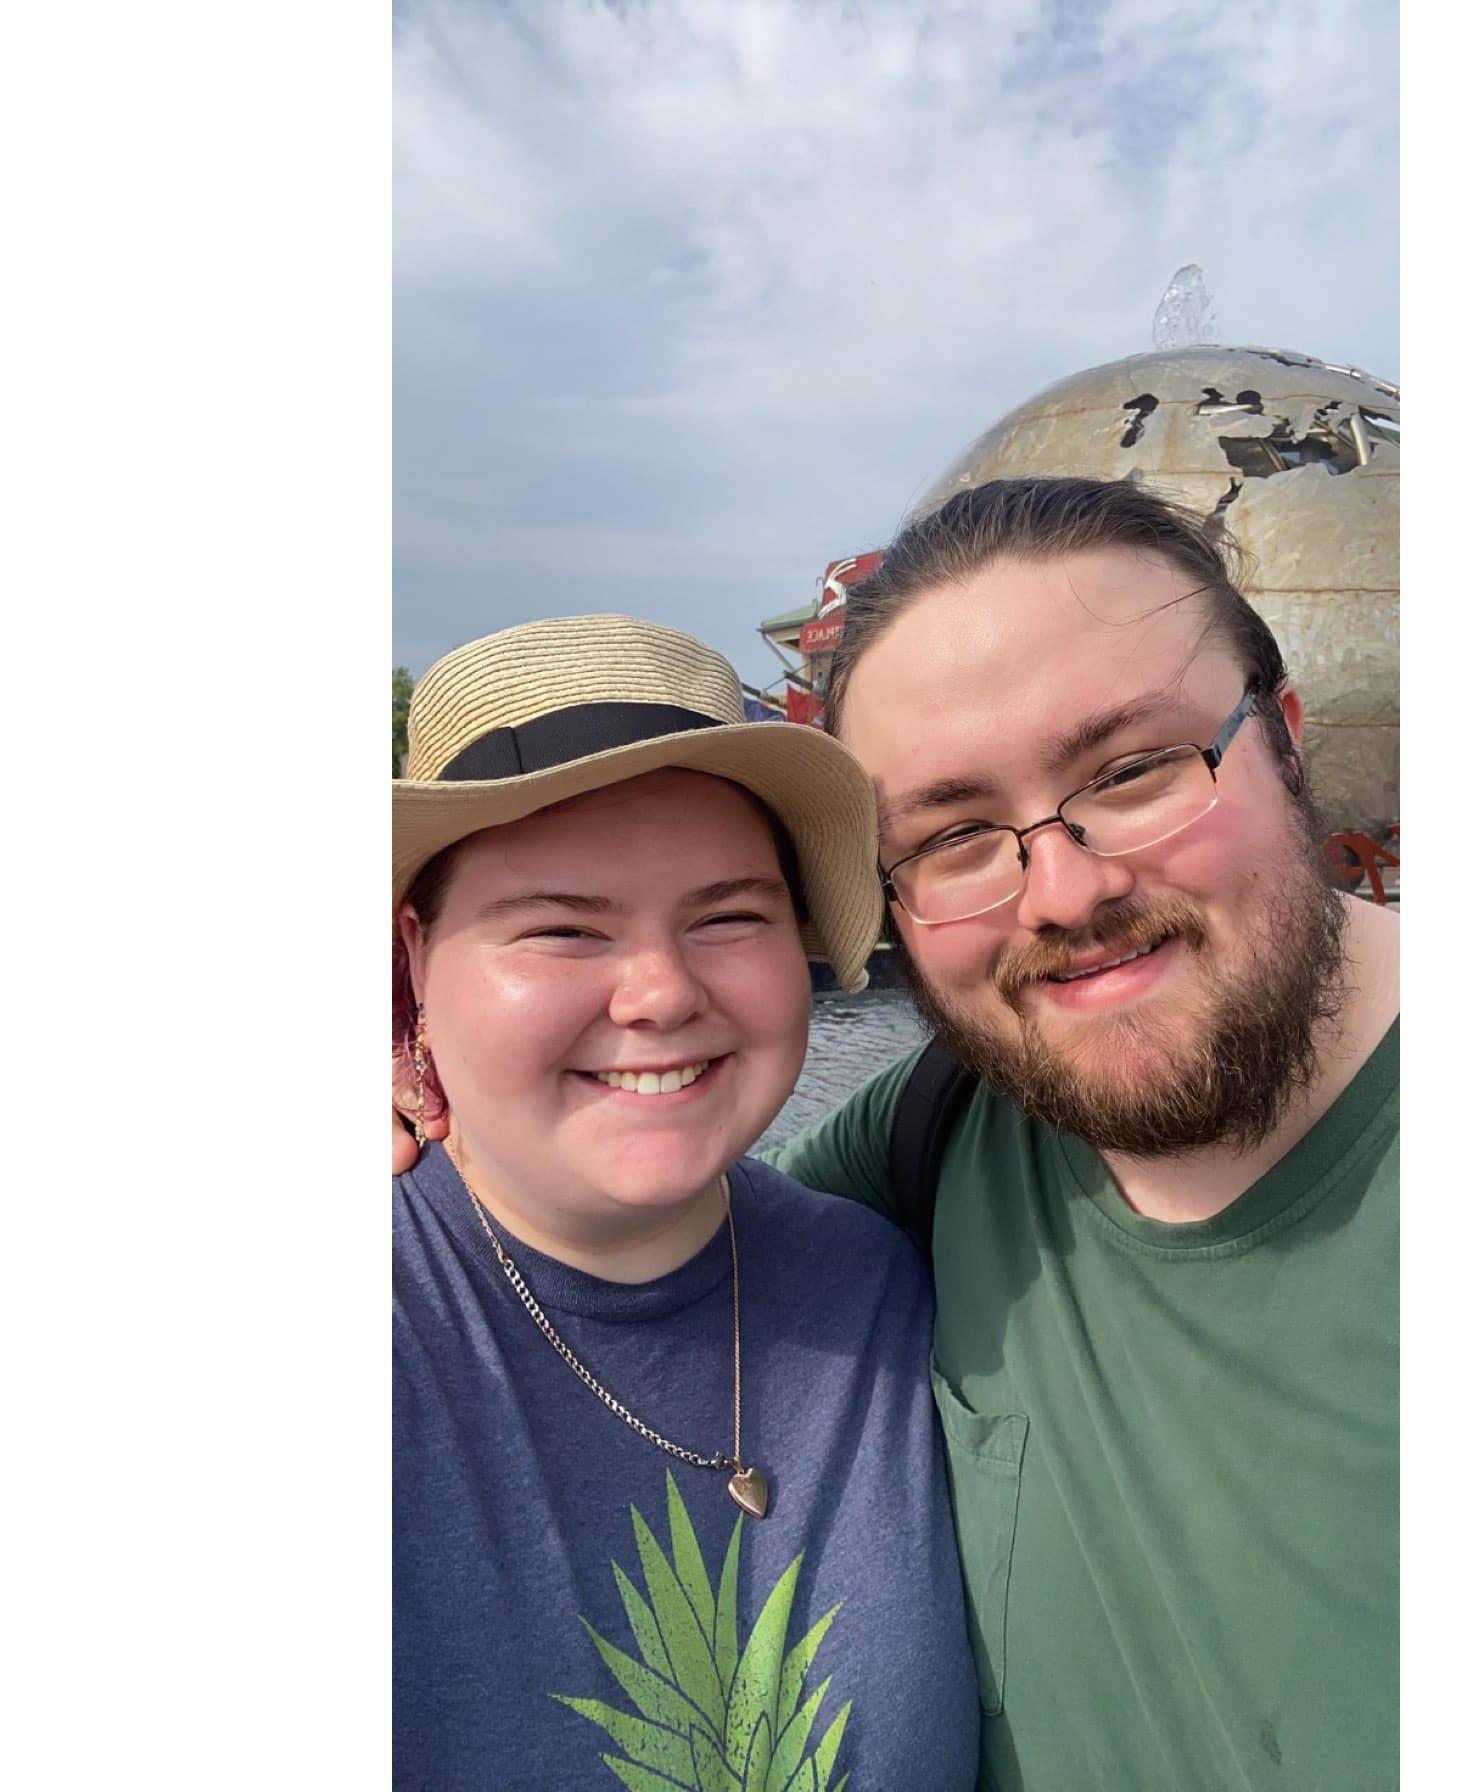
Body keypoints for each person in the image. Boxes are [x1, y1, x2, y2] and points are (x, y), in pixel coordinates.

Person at [396, 476, 1399, 1791]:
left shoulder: (860, 1261)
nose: (1066, 890)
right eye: (957, 833)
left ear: (1281, 735)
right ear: (411, 961)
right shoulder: (942, 1140)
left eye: (1135, 770)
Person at [391, 613, 979, 1792]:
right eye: (562, 929)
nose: (660, 993)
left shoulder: (881, 1285)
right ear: (411, 961)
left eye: (727, 917)